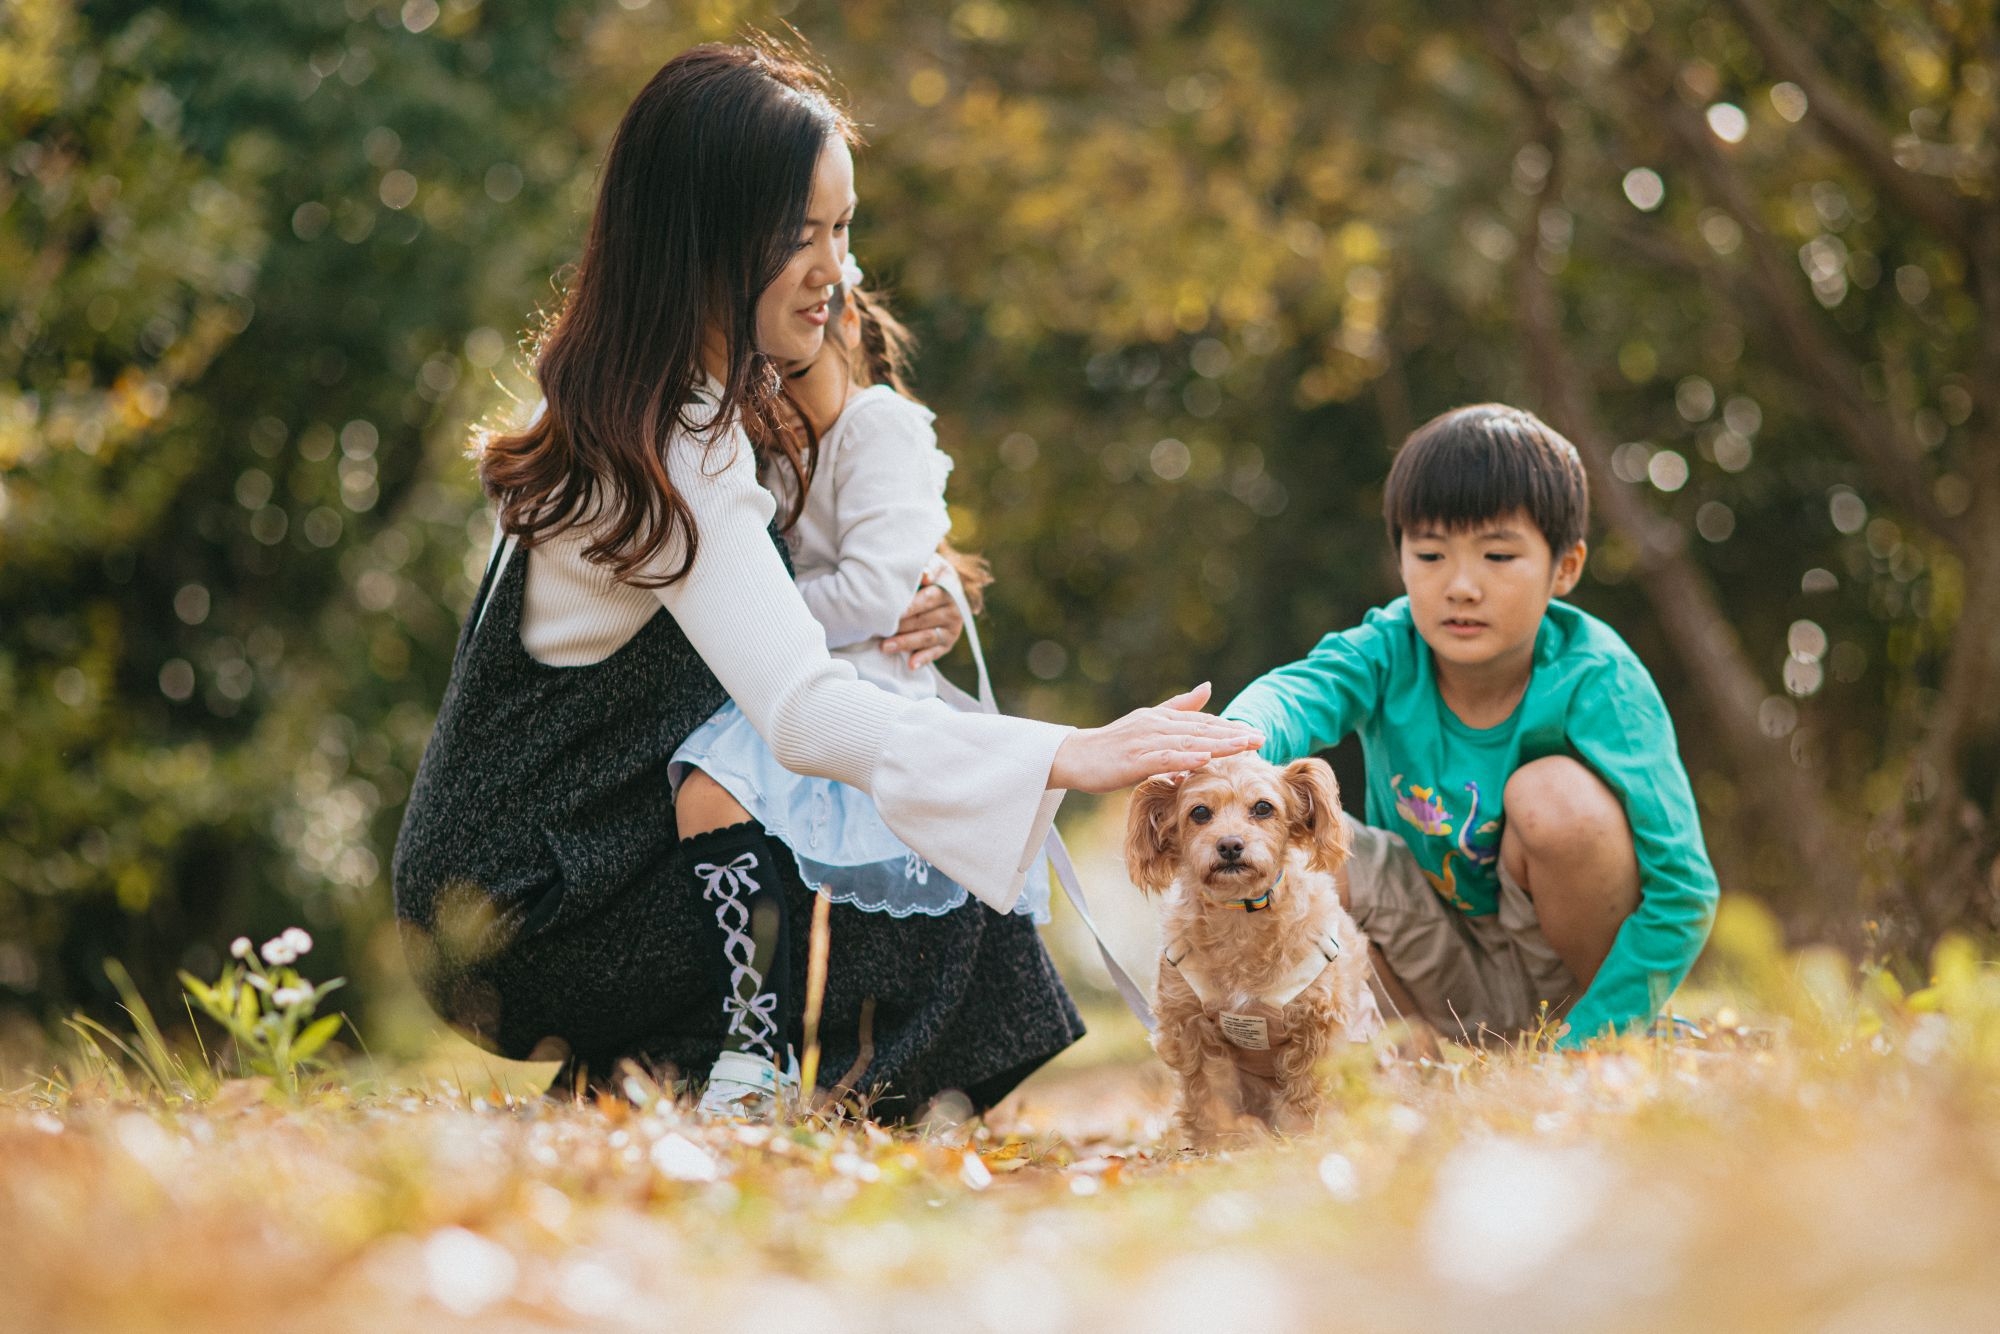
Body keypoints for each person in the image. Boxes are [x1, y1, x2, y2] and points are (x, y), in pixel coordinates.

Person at [390, 41, 1261, 1120]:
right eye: (797, 236)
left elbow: (748, 591)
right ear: (702, 237)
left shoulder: (648, 400)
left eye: (840, 230)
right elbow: (799, 709)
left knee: (904, 817)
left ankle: (657, 1074)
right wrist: (1065, 753)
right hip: (526, 918)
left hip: (553, 881)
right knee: (911, 846)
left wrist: (914, 586)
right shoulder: (671, 438)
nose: (833, 270)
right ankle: (795, 1091)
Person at [670, 256, 1055, 1115]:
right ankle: (752, 1049)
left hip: (862, 681)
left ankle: (839, 1067)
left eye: (793, 367)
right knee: (708, 798)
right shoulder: (758, 450)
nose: (775, 388)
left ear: (842, 326)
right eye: (761, 374)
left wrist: (736, 613)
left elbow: (878, 592)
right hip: (788, 676)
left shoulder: (880, 427)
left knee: (734, 799)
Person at [1221, 404, 1719, 1049]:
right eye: (1430, 553)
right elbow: (1298, 692)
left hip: (1574, 987)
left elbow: (1685, 888)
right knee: (1302, 844)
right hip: (1429, 968)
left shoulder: (1599, 679)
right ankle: (1384, 1059)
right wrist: (1231, 742)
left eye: (1498, 555)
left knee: (1554, 797)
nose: (1460, 586)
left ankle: (1622, 1038)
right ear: (1400, 559)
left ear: (1564, 568)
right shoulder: (1386, 649)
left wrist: (1587, 1043)